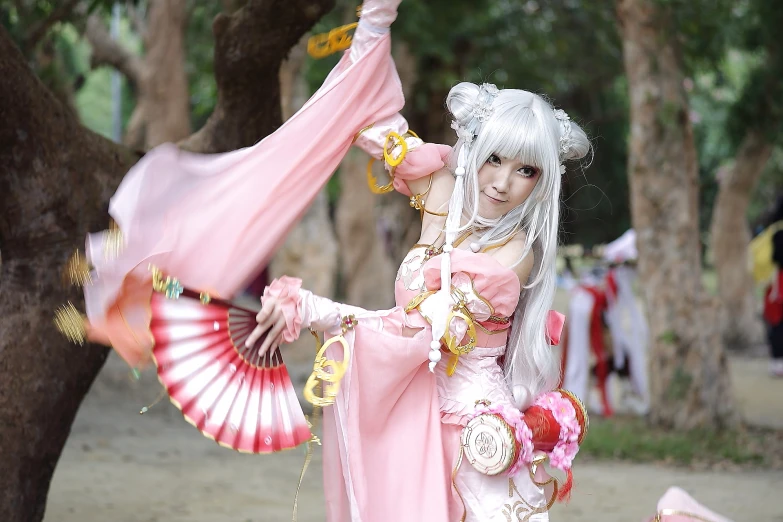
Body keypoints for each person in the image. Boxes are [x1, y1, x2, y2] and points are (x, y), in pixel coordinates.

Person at [63, 1, 591, 519]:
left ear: (544, 182)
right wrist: (374, 26)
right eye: (494, 158)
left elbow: (410, 336)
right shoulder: (443, 188)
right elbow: (360, 122)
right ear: (475, 148)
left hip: (475, 437)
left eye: (525, 170)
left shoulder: (513, 254)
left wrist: (308, 308)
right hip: (414, 418)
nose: (501, 182)